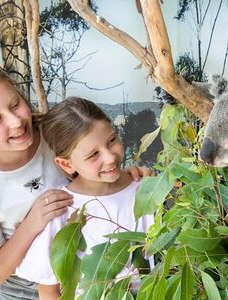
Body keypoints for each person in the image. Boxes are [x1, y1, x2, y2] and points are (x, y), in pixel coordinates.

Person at [0, 63, 151, 300]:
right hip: (22, 290)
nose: (15, 122)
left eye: (15, 104)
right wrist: (33, 223)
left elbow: (98, 169)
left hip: (87, 281)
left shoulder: (56, 131)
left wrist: (129, 179)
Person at [16, 97, 154, 299]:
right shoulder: (61, 211)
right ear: (66, 164)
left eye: (112, 140)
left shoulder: (144, 189)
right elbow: (49, 289)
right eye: (93, 155)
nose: (109, 157)